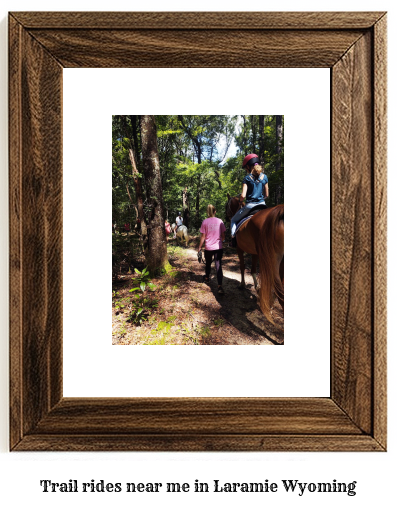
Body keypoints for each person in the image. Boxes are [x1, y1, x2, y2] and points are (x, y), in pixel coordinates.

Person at [230, 153, 269, 242]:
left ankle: (233, 239)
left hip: (250, 206)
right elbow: (267, 195)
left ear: (248, 166)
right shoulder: (265, 177)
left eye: (245, 168)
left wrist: (240, 201)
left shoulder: (247, 178)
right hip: (263, 205)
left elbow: (243, 195)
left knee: (233, 220)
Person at [198, 204, 226, 294]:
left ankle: (207, 278)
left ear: (208, 212)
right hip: (218, 248)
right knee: (218, 265)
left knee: (208, 264)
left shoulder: (205, 222)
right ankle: (220, 286)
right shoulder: (220, 221)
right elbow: (223, 237)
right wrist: (221, 242)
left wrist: (199, 248)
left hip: (208, 248)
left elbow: (203, 237)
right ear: (215, 211)